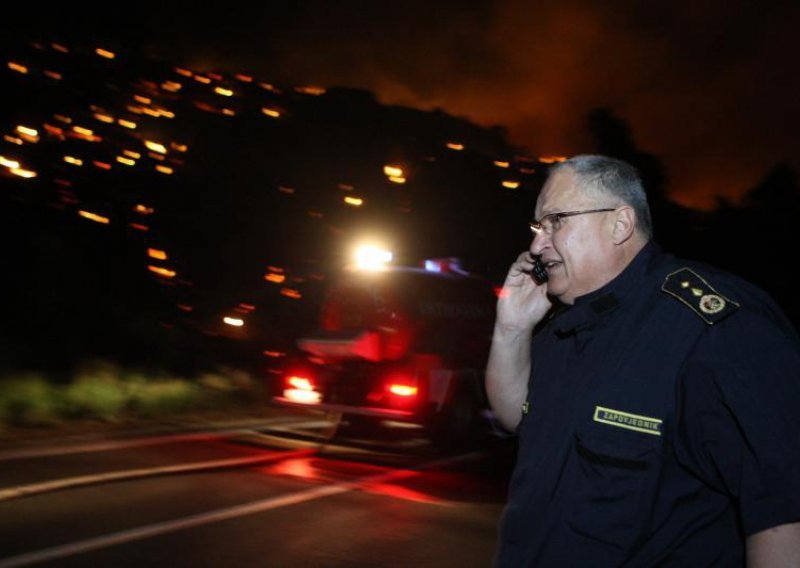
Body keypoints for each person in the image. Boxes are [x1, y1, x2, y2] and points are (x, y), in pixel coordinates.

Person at [486, 154, 800, 566]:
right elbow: (518, 419)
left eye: (556, 221)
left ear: (620, 224)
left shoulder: (712, 329)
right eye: (537, 226)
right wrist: (512, 329)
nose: (536, 245)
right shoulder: (565, 323)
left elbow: (782, 510)